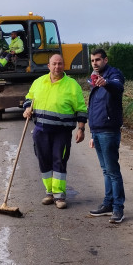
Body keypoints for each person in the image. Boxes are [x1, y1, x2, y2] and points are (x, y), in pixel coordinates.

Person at [23, 54, 87, 209]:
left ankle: (59, 196)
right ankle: (49, 192)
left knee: (59, 160)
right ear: (48, 66)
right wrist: (27, 109)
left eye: (60, 64)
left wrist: (81, 129)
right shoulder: (39, 82)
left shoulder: (72, 85)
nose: (57, 67)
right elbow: (29, 98)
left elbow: (81, 109)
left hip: (61, 131)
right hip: (41, 130)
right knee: (43, 160)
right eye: (54, 64)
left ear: (63, 66)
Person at [86, 48, 126, 223]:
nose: (95, 63)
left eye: (98, 60)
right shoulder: (94, 77)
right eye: (93, 60)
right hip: (98, 129)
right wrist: (92, 131)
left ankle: (118, 208)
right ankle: (108, 204)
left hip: (109, 130)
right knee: (105, 170)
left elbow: (118, 87)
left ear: (105, 60)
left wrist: (106, 83)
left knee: (113, 171)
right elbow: (95, 105)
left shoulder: (113, 75)